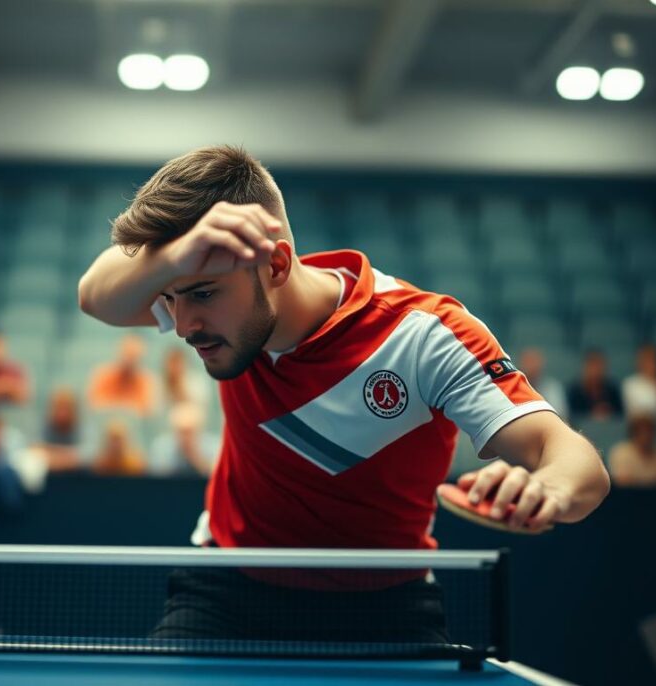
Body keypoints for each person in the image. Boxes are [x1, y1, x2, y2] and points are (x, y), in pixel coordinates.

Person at [78, 145, 609, 642]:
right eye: (171, 296)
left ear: (278, 265)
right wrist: (170, 262)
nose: (185, 324)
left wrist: (551, 492)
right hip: (225, 590)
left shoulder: (422, 335)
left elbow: (567, 456)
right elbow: (94, 296)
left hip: (387, 607)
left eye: (203, 293)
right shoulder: (219, 315)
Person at [86, 334, 158, 418]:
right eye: (127, 354)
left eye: (134, 356)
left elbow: (148, 409)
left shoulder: (146, 380)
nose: (129, 361)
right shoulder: (102, 374)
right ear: (120, 353)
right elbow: (94, 403)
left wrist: (119, 406)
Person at [149, 403, 220, 477]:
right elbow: (157, 478)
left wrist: (196, 457)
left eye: (189, 431)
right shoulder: (161, 447)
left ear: (199, 429)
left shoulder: (213, 446)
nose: (185, 437)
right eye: (181, 432)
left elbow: (216, 476)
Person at [606, 414, 656, 487]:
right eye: (641, 430)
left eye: (649, 430)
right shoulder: (620, 452)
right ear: (633, 432)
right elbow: (622, 482)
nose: (646, 435)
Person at [33, 386, 84, 471]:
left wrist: (53, 453)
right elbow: (35, 449)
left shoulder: (81, 427)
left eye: (66, 408)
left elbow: (86, 455)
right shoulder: (45, 426)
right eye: (59, 408)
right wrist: (65, 457)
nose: (62, 413)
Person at [567, 349, 623, 420]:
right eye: (592, 365)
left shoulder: (612, 390)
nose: (595, 370)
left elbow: (620, 416)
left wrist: (608, 413)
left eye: (598, 365)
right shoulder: (575, 391)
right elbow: (573, 417)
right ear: (585, 367)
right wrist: (593, 415)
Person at [518, 348, 568, 418]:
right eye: (528, 361)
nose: (531, 366)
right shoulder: (515, 387)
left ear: (541, 364)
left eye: (534, 361)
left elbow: (560, 415)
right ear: (521, 364)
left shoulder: (552, 388)